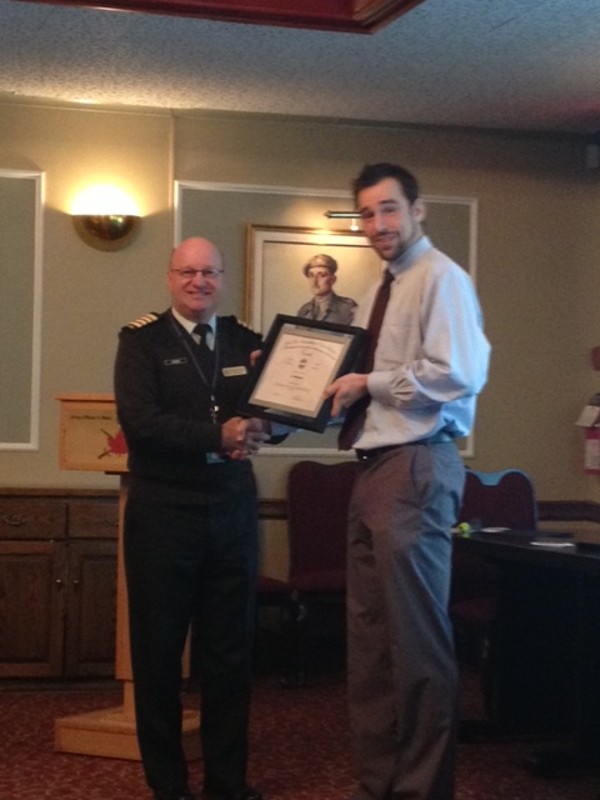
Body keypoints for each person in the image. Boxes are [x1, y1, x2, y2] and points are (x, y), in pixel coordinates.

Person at [325, 163, 491, 800]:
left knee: (416, 647)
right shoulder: (382, 287)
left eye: (389, 209)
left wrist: (366, 383)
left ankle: (421, 790)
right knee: (370, 648)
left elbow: (459, 373)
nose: (378, 224)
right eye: (366, 214)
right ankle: (380, 785)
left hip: (417, 464)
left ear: (418, 211)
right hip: (373, 469)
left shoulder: (441, 278)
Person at [114, 237, 273, 800]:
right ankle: (169, 787)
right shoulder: (141, 342)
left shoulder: (246, 341)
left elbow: (274, 412)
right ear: (169, 277)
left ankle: (227, 785)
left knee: (230, 657)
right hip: (163, 512)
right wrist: (217, 434)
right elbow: (140, 423)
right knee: (158, 657)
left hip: (230, 508)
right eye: (188, 271)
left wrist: (266, 425)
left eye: (209, 272)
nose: (198, 281)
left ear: (222, 279)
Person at [296, 253, 357, 325]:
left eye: (322, 275)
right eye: (311, 275)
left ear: (333, 280)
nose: (315, 281)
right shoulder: (304, 310)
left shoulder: (347, 308)